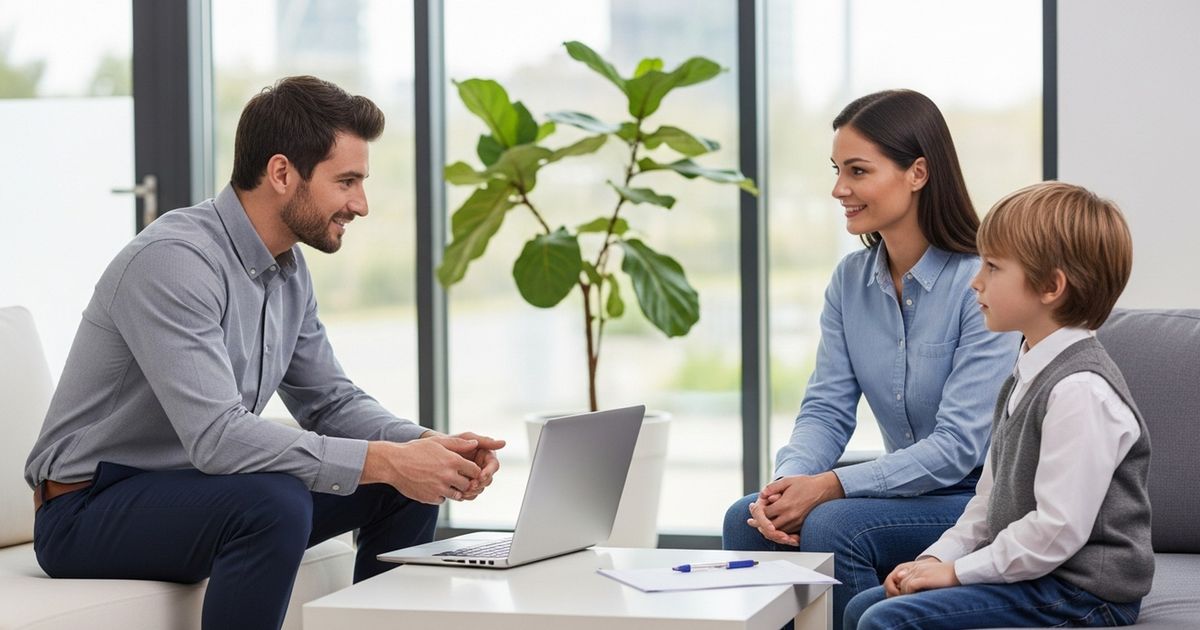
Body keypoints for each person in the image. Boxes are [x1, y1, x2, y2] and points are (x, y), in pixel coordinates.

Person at [24, 75, 505, 630]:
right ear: (281, 173)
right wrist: (388, 459)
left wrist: (424, 446)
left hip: (202, 493)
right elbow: (218, 437)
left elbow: (330, 402)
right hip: (86, 510)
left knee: (407, 486)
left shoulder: (289, 271)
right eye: (346, 181)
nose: (361, 204)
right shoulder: (174, 260)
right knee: (273, 503)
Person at [723, 89, 1019, 628]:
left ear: (918, 173)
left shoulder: (983, 281)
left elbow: (958, 446)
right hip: (905, 491)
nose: (840, 189)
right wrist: (785, 485)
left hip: (979, 497)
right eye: (837, 170)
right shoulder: (849, 282)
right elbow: (826, 410)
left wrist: (831, 486)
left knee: (834, 524)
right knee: (744, 520)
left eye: (858, 171)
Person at [843, 181, 1152, 629]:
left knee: (886, 621)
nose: (976, 281)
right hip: (1035, 576)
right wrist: (935, 559)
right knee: (861, 607)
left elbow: (1056, 532)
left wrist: (957, 573)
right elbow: (989, 501)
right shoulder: (1025, 372)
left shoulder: (1080, 390)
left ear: (1051, 286)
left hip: (1082, 592)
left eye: (992, 267)